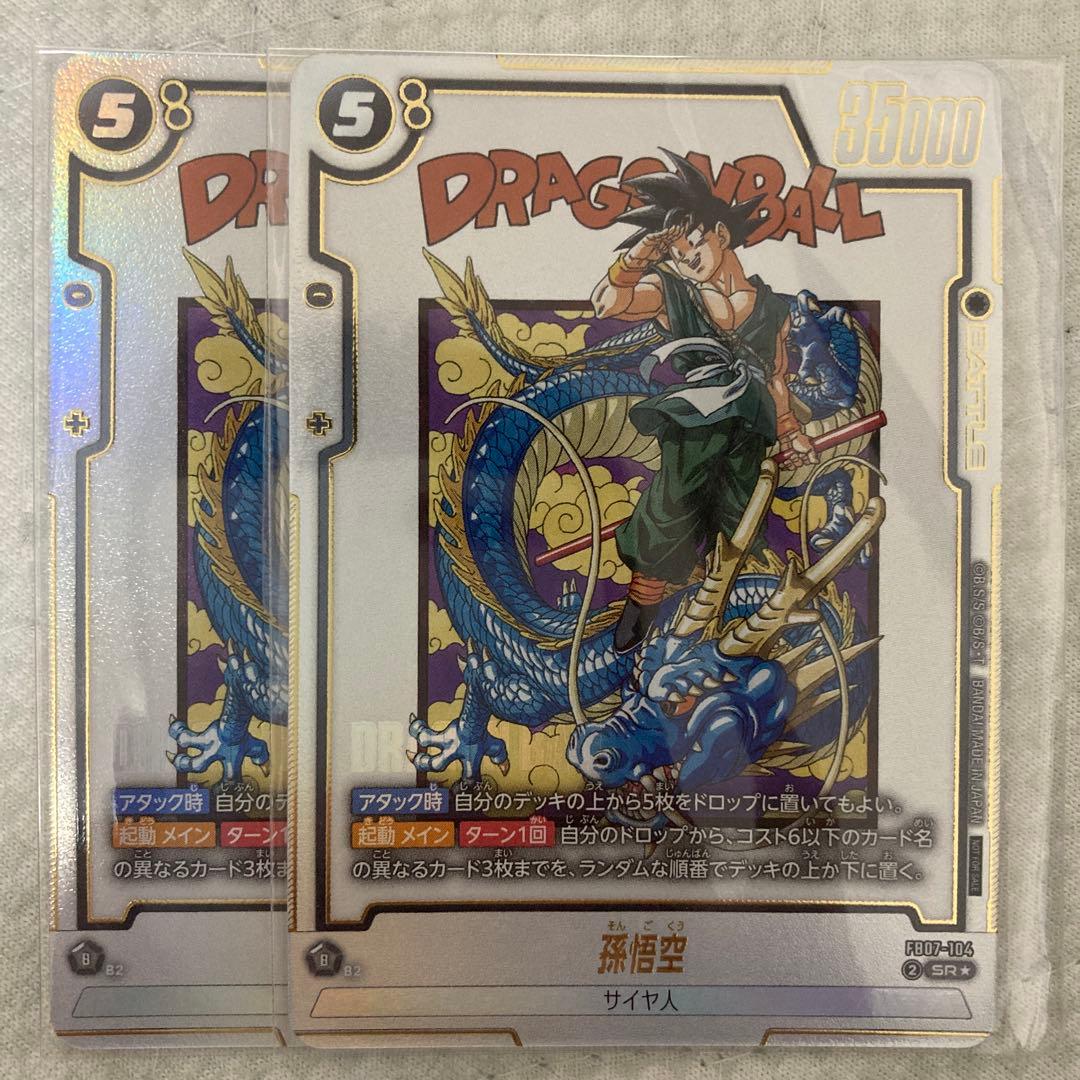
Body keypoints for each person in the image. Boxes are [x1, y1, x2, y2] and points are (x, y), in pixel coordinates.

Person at [591, 150, 817, 652]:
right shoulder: (672, 292)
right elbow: (608, 303)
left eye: (692, 242)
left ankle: (718, 609)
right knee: (672, 503)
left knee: (740, 517)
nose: (686, 258)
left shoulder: (773, 308)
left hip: (752, 425)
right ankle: (644, 598)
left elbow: (776, 377)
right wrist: (640, 256)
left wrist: (790, 431)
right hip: (698, 418)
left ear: (721, 234)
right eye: (674, 253)